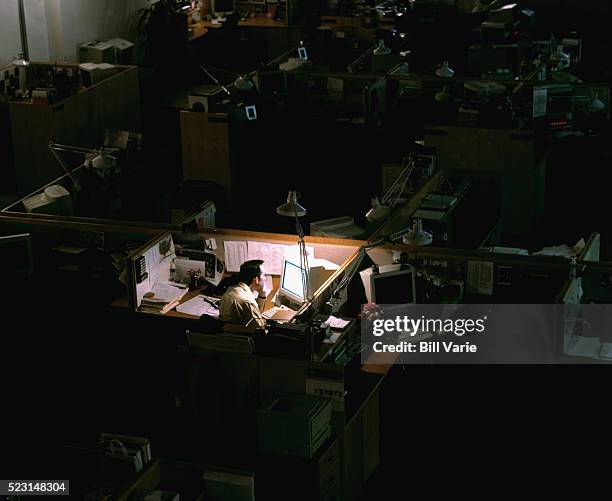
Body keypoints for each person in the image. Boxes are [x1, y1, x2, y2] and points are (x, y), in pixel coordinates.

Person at [219, 259, 269, 330]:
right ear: (256, 280)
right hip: (242, 338)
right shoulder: (248, 301)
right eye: (264, 275)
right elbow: (260, 328)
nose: (265, 278)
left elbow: (256, 314)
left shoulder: (230, 293)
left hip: (227, 336)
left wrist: (262, 294)